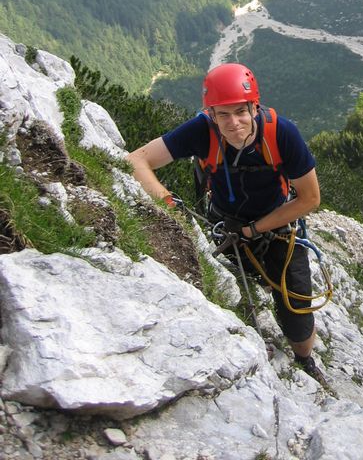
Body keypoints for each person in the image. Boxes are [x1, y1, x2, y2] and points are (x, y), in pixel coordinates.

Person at [127, 62, 325, 381]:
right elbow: (137, 160)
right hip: (226, 226)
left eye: (240, 112)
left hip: (278, 228)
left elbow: (310, 199)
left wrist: (253, 230)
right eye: (223, 115)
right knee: (217, 287)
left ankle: (305, 362)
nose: (233, 123)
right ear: (211, 115)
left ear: (254, 107)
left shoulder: (282, 133)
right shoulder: (201, 131)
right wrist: (167, 202)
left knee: (297, 312)